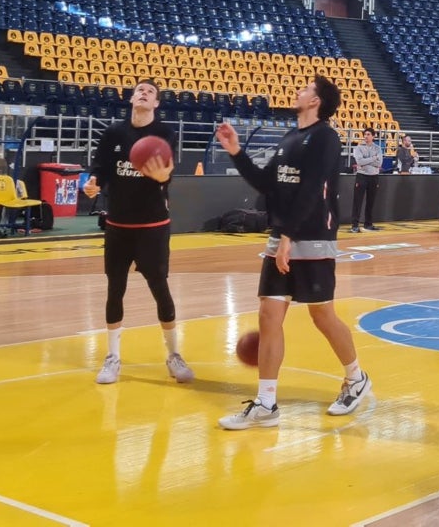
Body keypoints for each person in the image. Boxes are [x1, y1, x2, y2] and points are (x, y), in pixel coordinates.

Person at [214, 75, 371, 429]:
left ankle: (356, 378)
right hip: (282, 235)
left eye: (305, 89)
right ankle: (267, 405)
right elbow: (266, 183)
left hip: (313, 236)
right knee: (269, 315)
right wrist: (236, 151)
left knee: (322, 316)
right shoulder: (291, 138)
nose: (299, 91)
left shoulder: (326, 138)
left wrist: (287, 235)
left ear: (316, 101)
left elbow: (313, 189)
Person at [82, 79, 194, 386]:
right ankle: (113, 357)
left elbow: (167, 172)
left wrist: (162, 177)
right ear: (132, 98)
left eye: (150, 92)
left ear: (156, 104)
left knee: (160, 287)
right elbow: (101, 168)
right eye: (139, 91)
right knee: (114, 288)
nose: (143, 94)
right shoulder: (114, 133)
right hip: (118, 224)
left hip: (153, 225)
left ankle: (173, 355)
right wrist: (93, 184)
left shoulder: (164, 134)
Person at [350, 127, 383, 233]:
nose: (366, 136)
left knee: (371, 201)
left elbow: (379, 164)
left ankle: (368, 224)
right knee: (357, 201)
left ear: (373, 136)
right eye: (365, 134)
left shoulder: (378, 148)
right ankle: (354, 225)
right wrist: (373, 158)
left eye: (368, 134)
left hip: (374, 177)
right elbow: (359, 162)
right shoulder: (358, 147)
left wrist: (366, 161)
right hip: (362, 176)